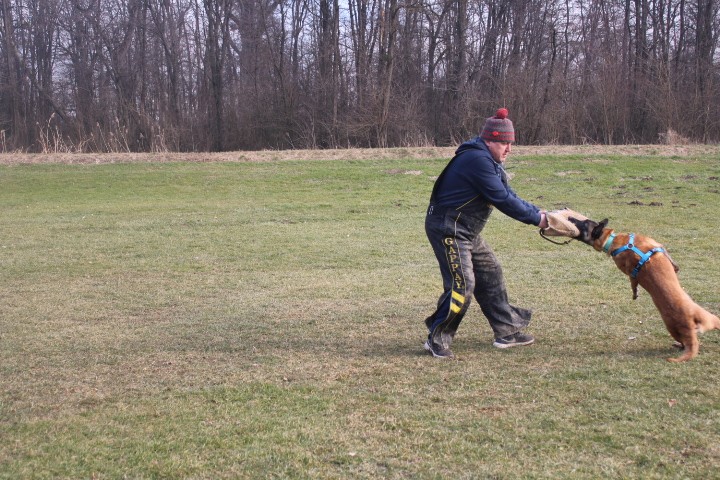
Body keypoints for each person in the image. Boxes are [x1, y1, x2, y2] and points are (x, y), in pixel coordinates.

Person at [423, 107, 549, 359]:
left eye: (511, 143)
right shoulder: (477, 160)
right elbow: (501, 199)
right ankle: (437, 338)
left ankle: (507, 331)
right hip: (449, 228)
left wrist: (539, 212)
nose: (509, 149)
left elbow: (509, 194)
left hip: (467, 229)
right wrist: (538, 220)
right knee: (463, 285)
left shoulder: (489, 160)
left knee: (490, 273)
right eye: (504, 143)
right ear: (490, 139)